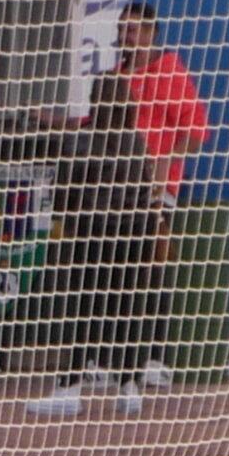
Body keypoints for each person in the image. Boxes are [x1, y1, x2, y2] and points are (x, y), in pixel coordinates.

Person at [24, 74, 156, 419]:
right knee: (125, 310)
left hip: (93, 234)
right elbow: (147, 189)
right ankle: (129, 387)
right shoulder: (136, 142)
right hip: (133, 235)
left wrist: (64, 225)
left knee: (84, 311)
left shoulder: (84, 140)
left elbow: (65, 191)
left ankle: (70, 387)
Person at [113, 1, 210, 390]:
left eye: (134, 29)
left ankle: (154, 357)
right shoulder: (117, 77)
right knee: (117, 275)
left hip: (154, 192)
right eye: (123, 29)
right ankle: (116, 358)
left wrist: (162, 169)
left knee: (150, 272)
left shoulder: (169, 70)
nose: (127, 37)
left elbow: (197, 133)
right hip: (116, 190)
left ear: (152, 33)